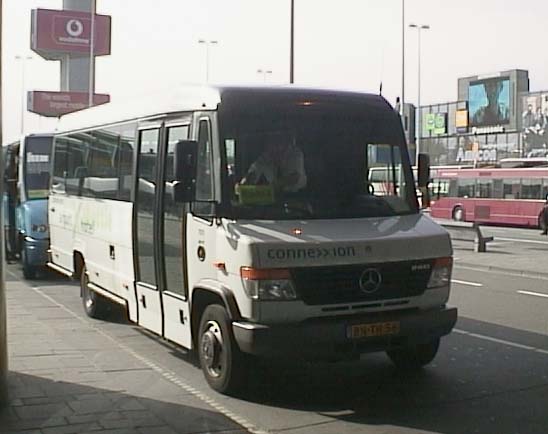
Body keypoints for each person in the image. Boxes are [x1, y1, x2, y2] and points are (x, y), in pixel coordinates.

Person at [240, 131, 307, 194]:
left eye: (279, 141)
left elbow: (294, 177)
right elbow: (253, 171)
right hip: (273, 197)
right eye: (271, 142)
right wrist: (244, 182)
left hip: (297, 196)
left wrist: (271, 186)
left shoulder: (295, 154)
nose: (276, 147)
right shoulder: (265, 157)